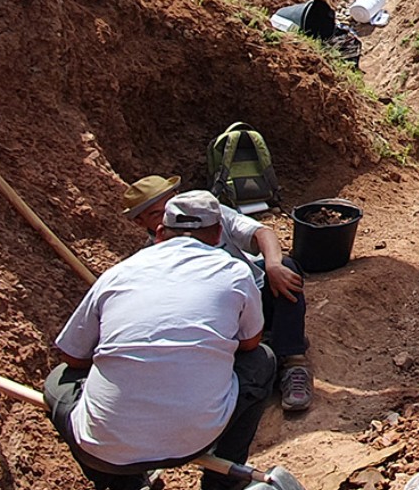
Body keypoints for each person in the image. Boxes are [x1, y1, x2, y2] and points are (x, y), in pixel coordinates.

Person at [44, 192, 274, 490]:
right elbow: (250, 343)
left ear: (160, 234)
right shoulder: (235, 272)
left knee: (59, 380)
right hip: (196, 440)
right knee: (262, 361)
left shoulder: (117, 274)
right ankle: (221, 484)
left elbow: (72, 357)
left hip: (104, 450)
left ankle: (124, 484)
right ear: (219, 234)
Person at [119, 177, 314, 413]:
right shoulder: (151, 259)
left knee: (286, 270)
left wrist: (273, 265)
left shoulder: (209, 214)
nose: (172, 213)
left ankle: (293, 362)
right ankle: (264, 351)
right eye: (156, 213)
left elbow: (261, 233)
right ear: (145, 224)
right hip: (220, 319)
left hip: (254, 298)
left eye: (170, 204)